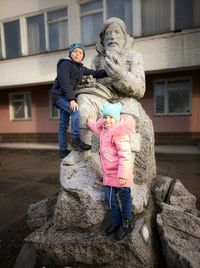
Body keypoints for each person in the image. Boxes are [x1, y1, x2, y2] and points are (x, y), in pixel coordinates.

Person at [63, 17, 145, 165]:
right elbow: (90, 80)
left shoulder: (134, 57)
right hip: (102, 99)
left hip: (125, 101)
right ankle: (80, 151)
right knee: (83, 101)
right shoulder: (97, 60)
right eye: (108, 34)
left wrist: (120, 75)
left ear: (124, 37)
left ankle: (125, 166)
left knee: (126, 123)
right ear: (102, 39)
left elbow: (140, 89)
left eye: (117, 33)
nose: (112, 36)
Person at [87, 102, 135, 240]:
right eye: (105, 117)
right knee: (109, 200)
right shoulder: (104, 130)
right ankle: (116, 221)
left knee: (124, 199)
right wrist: (90, 123)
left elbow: (125, 155)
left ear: (116, 118)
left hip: (121, 176)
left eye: (111, 117)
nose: (107, 120)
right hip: (108, 175)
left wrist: (122, 175)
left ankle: (126, 223)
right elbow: (96, 129)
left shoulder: (119, 133)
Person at [51, 42, 108, 159]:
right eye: (75, 51)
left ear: (83, 56)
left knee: (63, 124)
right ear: (70, 53)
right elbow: (64, 82)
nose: (77, 54)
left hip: (66, 96)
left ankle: (62, 150)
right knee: (75, 111)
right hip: (59, 95)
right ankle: (76, 140)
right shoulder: (65, 64)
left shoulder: (80, 68)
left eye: (80, 52)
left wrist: (110, 71)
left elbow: (95, 73)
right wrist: (72, 99)